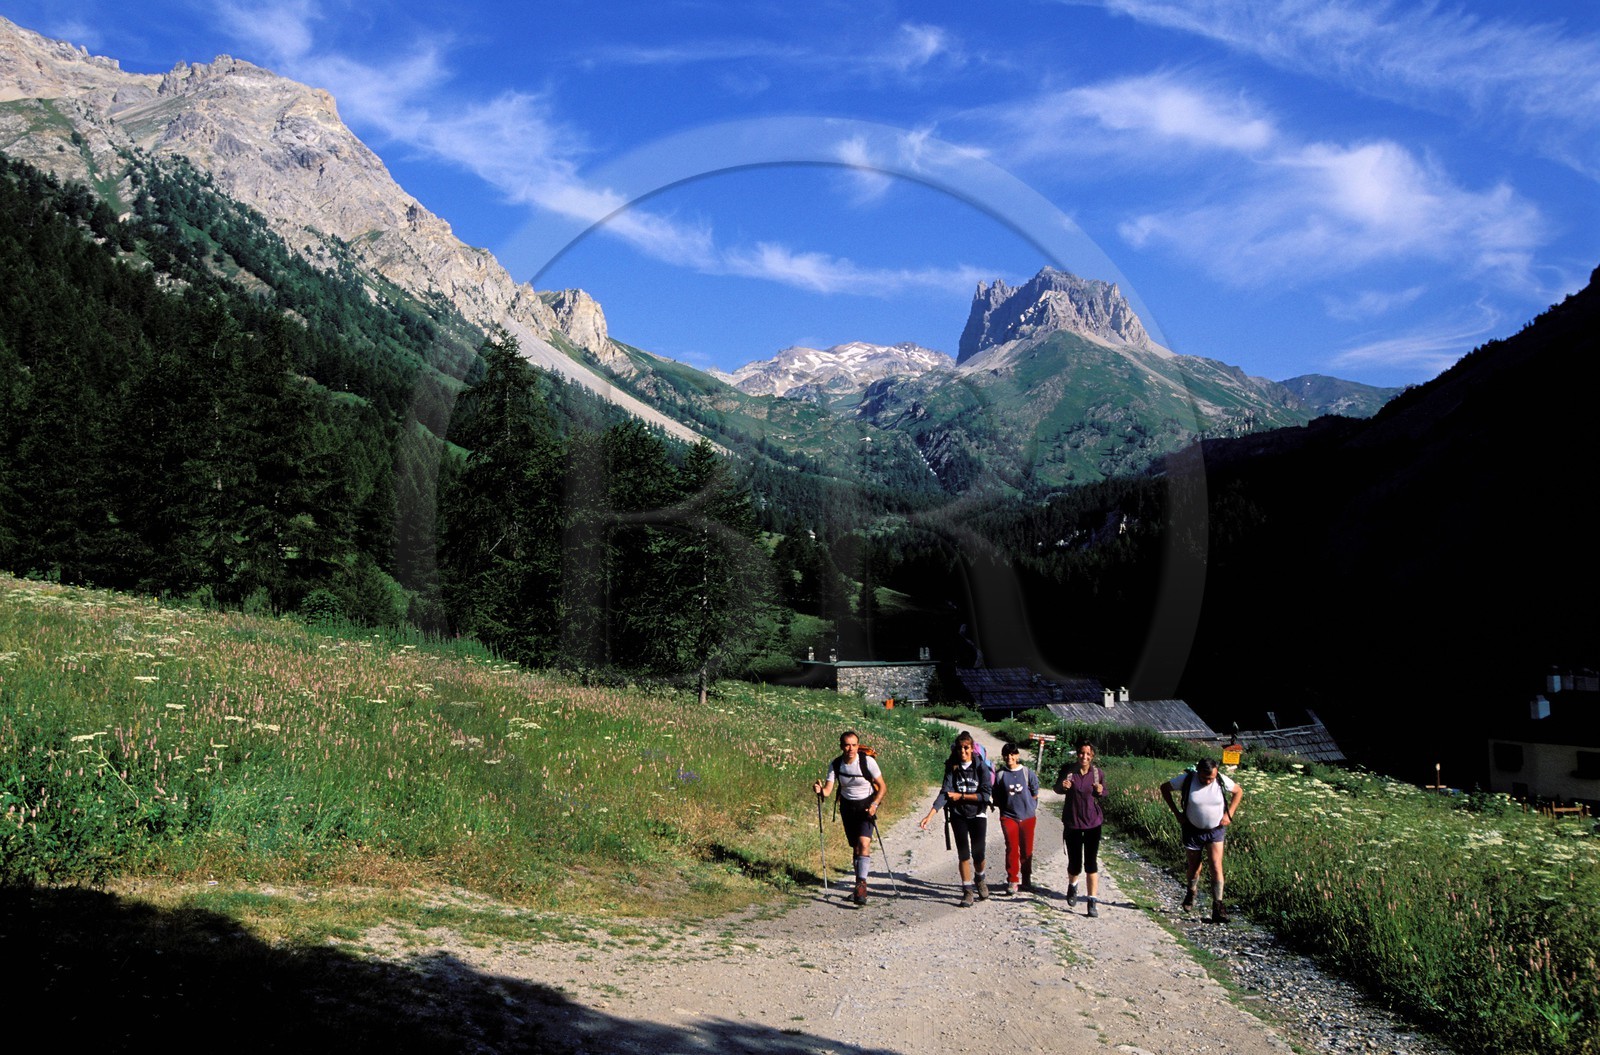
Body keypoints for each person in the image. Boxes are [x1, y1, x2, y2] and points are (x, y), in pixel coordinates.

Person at [1160, 757, 1243, 923]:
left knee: (1216, 865)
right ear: (1198, 772)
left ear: (1216, 773)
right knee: (1194, 866)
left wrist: (1229, 814)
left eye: (1211, 778)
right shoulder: (1188, 779)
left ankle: (1218, 906)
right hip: (1192, 830)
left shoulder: (1220, 780)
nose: (1207, 781)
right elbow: (1164, 788)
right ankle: (1191, 891)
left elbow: (1238, 791)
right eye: (1204, 778)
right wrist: (1177, 814)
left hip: (1216, 830)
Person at [918, 730, 993, 907]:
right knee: (963, 854)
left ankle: (980, 878)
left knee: (979, 854)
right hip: (958, 815)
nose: (963, 751)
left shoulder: (981, 767)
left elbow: (985, 794)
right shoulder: (952, 766)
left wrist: (962, 796)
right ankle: (967, 891)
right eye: (960, 748)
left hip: (978, 814)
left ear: (972, 748)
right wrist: (930, 815)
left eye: (966, 748)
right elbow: (945, 792)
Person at [814, 730, 885, 906]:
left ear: (858, 745)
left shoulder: (867, 762)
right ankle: (858, 885)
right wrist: (820, 791)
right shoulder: (836, 764)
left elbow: (882, 787)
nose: (850, 749)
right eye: (847, 745)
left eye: (854, 745)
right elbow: (828, 791)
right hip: (847, 808)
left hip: (866, 807)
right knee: (855, 847)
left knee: (864, 843)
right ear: (841, 746)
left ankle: (862, 886)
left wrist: (875, 805)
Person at [1055, 740, 1107, 917]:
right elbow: (1057, 788)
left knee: (1091, 863)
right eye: (1081, 753)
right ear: (1077, 754)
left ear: (1092, 756)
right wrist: (1062, 787)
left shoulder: (1097, 774)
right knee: (1075, 863)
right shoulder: (1069, 772)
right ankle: (1073, 886)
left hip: (1093, 823)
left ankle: (1092, 901)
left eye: (1087, 754)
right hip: (1073, 823)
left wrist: (1100, 790)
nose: (1084, 756)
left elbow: (1104, 792)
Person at [992, 742, 1040, 896]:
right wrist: (1003, 808)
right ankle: (1012, 880)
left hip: (1027, 817)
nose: (1009, 757)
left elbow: (1035, 791)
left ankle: (1026, 880)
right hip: (1008, 817)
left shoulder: (1027, 772)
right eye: (1006, 754)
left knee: (1027, 849)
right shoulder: (1000, 775)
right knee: (1012, 848)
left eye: (1012, 754)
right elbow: (996, 795)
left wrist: (1031, 806)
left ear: (1017, 755)